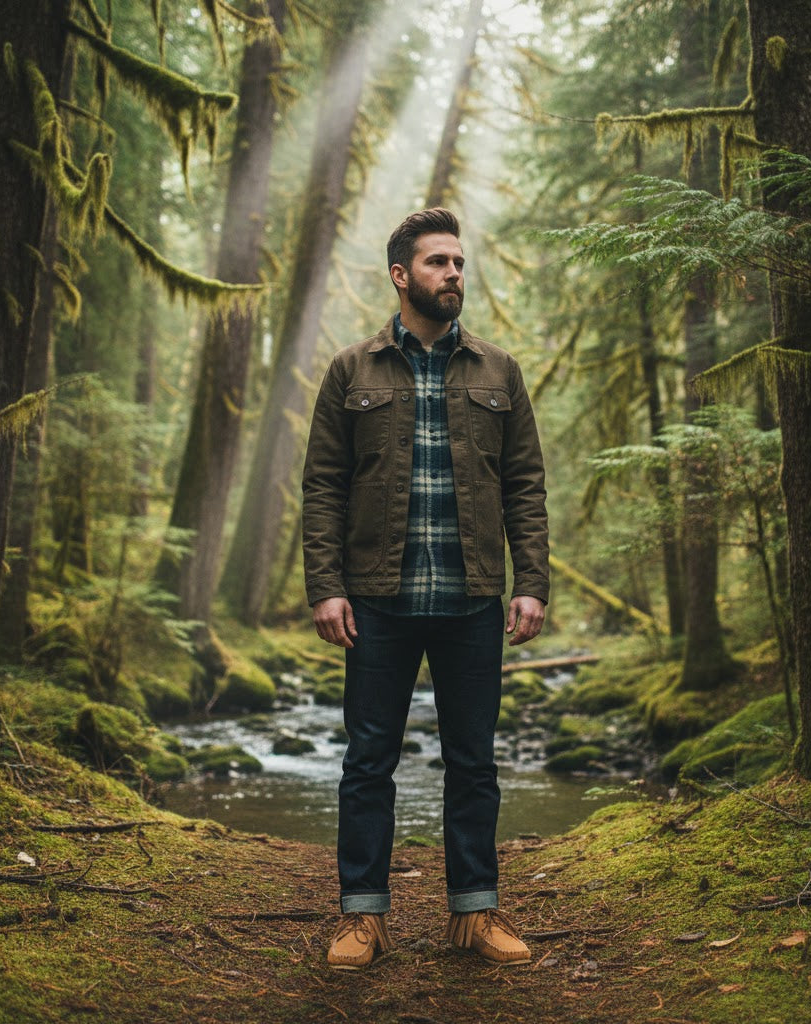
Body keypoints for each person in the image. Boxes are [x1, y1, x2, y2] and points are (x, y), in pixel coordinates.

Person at [301, 208, 549, 970]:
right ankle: (362, 918)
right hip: (378, 602)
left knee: (472, 763)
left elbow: (525, 485)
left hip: (473, 599)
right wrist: (326, 587)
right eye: (439, 262)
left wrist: (532, 582)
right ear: (401, 275)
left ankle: (475, 913)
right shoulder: (352, 370)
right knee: (368, 761)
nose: (454, 274)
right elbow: (324, 486)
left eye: (459, 262)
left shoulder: (500, 371)